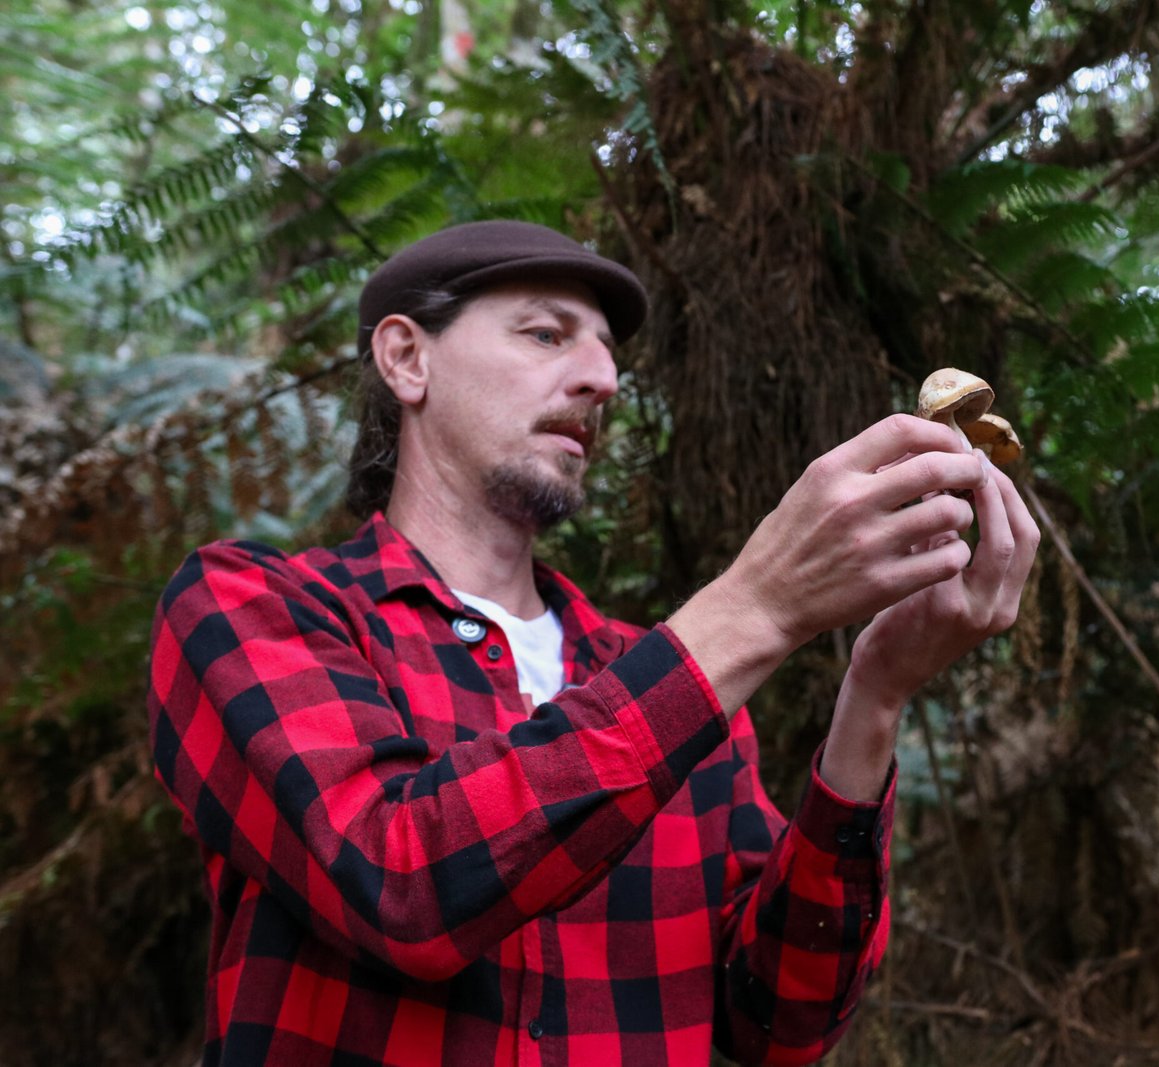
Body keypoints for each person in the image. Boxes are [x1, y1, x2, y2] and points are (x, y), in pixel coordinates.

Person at [148, 220, 1039, 1066]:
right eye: (545, 335)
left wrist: (875, 696)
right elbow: (398, 881)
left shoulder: (673, 686)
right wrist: (755, 607)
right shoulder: (254, 607)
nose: (602, 379)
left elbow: (782, 1021)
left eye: (609, 351)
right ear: (407, 357)